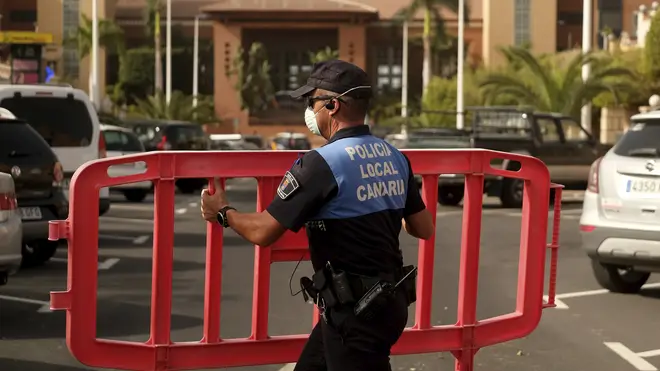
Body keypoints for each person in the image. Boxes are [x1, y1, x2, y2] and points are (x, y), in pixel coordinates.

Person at [201, 59, 434, 371]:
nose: (310, 112)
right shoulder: (394, 157)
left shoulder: (321, 164)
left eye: (312, 103)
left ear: (333, 106)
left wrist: (223, 213)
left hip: (356, 315)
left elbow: (263, 231)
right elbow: (423, 227)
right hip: (382, 304)